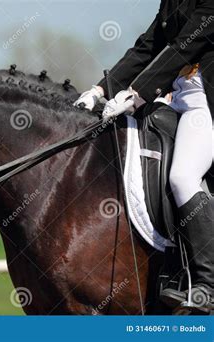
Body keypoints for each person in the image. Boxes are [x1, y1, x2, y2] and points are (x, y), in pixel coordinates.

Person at [74, 0, 214, 314]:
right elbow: (148, 46)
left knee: (183, 176)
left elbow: (183, 47)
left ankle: (209, 284)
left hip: (206, 102)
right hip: (177, 97)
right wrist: (100, 91)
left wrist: (137, 94)